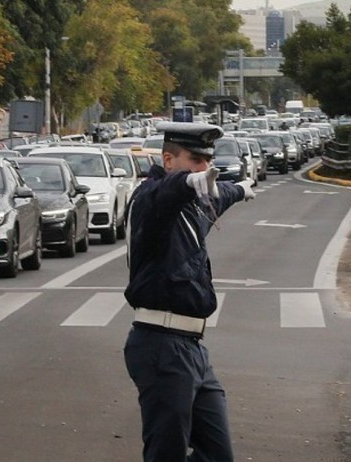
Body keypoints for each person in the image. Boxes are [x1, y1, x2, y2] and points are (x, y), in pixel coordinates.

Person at [123, 121, 256, 462]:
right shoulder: (151, 201)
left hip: (192, 348)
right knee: (166, 454)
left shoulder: (195, 203)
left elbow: (217, 194)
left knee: (216, 453)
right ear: (168, 160)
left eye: (208, 161)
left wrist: (239, 189)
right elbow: (164, 194)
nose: (205, 168)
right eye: (196, 160)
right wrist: (187, 182)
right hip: (160, 345)